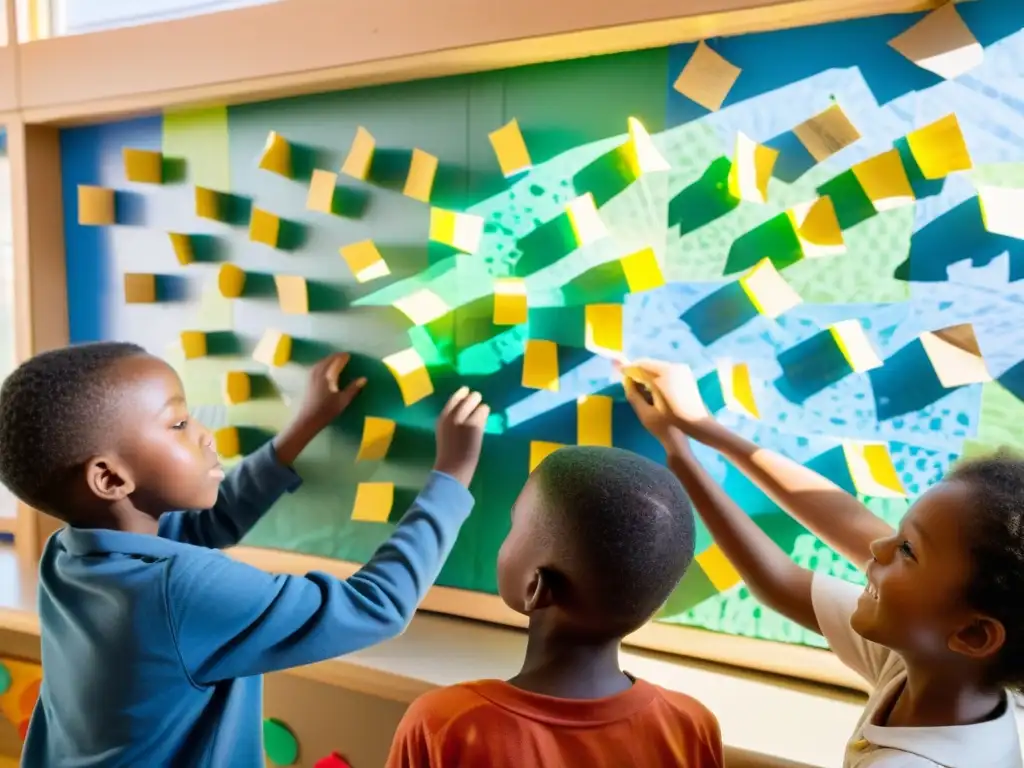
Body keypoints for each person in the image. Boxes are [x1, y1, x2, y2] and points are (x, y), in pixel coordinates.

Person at [0, 342, 491, 768]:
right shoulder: (176, 590)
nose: (204, 433)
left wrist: (304, 425)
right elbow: (373, 607)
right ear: (110, 479)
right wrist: (452, 475)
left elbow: (209, 523)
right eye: (177, 423)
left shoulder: (71, 553)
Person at [621, 358, 1024, 767]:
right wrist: (695, 435)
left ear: (975, 635)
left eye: (907, 550)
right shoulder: (944, 669)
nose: (878, 546)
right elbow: (799, 561)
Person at [386, 444, 724, 767]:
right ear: (656, 605)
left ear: (536, 587)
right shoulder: (691, 726)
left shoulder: (447, 725)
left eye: (513, 525)